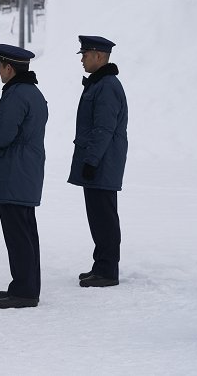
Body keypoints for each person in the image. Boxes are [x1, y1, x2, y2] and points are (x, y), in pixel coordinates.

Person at [0, 44, 48, 309]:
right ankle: (25, 286)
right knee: (26, 232)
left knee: (18, 234)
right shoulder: (33, 92)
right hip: (26, 171)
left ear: (9, 68)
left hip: (14, 172)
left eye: (0, 66)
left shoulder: (16, 94)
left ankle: (24, 291)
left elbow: (5, 134)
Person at [69, 35, 128, 288]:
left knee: (104, 217)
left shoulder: (106, 86)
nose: (81, 59)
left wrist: (91, 161)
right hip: (99, 162)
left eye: (85, 54)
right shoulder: (99, 84)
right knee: (99, 216)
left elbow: (103, 128)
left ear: (99, 56)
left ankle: (107, 271)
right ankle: (101, 266)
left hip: (102, 163)